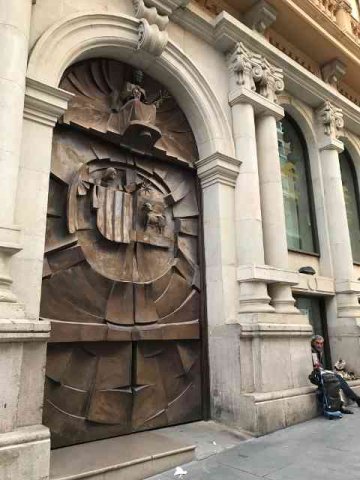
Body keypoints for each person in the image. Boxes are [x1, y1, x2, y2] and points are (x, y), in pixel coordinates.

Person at [311, 335, 360, 413]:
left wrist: (332, 370)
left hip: (321, 375)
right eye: (317, 343)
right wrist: (330, 372)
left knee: (337, 379)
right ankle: (356, 399)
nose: (319, 345)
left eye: (321, 343)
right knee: (337, 378)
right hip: (316, 377)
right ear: (313, 343)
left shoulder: (319, 352)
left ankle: (353, 400)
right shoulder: (313, 352)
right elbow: (318, 368)